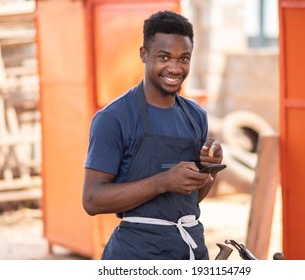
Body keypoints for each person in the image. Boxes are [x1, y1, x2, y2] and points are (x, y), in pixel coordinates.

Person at [82, 10, 223, 260]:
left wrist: (208, 171)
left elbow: (192, 199)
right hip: (137, 254)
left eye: (184, 58)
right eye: (164, 57)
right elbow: (92, 200)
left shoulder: (196, 116)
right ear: (144, 55)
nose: (175, 67)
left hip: (190, 249)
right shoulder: (114, 118)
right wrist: (163, 182)